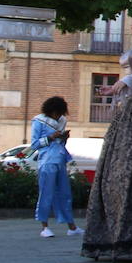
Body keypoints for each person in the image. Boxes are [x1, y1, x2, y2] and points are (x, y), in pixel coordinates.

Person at [83, 9, 132, 261]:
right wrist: (116, 86)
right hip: (128, 108)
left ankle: (127, 237)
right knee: (113, 169)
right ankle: (112, 234)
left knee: (127, 167)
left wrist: (125, 82)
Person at [31, 96, 81, 238]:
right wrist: (50, 137)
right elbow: (34, 144)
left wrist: (63, 138)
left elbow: (61, 144)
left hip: (59, 159)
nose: (59, 116)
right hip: (47, 161)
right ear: (51, 110)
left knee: (65, 194)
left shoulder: (62, 121)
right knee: (46, 193)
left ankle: (71, 226)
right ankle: (44, 226)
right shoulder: (38, 121)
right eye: (57, 113)